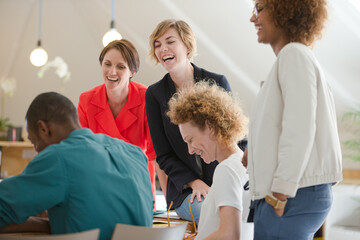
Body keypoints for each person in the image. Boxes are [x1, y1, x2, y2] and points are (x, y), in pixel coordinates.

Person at [246, 0, 343, 239]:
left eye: (260, 8)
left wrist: (279, 194)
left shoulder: (293, 54)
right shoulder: (295, 57)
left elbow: (299, 129)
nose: (253, 18)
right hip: (296, 193)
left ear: (285, 11)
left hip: (291, 195)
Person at [0, 92, 154, 240]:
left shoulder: (58, 157)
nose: (37, 150)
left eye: (34, 142)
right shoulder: (135, 153)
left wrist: (45, 224)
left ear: (43, 128)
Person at [145, 19, 247, 224]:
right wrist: (195, 183)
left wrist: (238, 176)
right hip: (186, 192)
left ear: (188, 45)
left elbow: (234, 136)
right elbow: (163, 155)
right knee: (216, 218)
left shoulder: (217, 82)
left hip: (227, 179)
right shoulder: (154, 94)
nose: (162, 48)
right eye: (157, 44)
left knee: (249, 215)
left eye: (170, 41)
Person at [167, 81, 253, 240]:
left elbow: (230, 234)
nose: (190, 150)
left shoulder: (226, 169)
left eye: (191, 140)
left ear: (210, 127)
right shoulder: (245, 165)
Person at [77, 39, 157, 209]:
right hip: (98, 184)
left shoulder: (146, 98)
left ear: (132, 71)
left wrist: (170, 198)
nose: (112, 71)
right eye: (107, 64)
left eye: (121, 66)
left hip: (137, 184)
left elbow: (154, 153)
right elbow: (80, 151)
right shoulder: (86, 100)